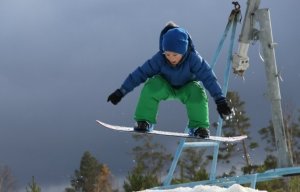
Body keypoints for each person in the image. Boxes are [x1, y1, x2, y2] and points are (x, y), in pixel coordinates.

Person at [107, 21, 232, 138]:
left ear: (183, 52)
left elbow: (208, 77)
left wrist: (220, 100)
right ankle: (144, 121)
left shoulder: (194, 59)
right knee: (151, 86)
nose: (171, 58)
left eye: (175, 55)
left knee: (197, 93)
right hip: (165, 86)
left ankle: (198, 127)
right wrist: (121, 91)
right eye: (167, 54)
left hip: (187, 87)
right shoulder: (159, 59)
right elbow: (140, 73)